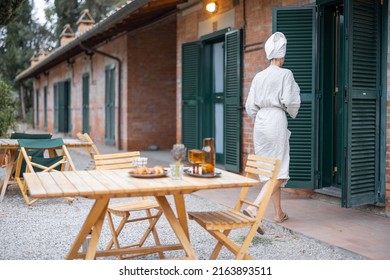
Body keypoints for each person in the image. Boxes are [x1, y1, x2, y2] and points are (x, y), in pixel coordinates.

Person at [244, 32, 301, 234]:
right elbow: (291, 101)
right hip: (276, 118)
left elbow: (250, 105)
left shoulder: (259, 76)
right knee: (278, 169)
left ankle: (278, 213)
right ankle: (253, 207)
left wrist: (260, 115)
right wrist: (287, 110)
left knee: (269, 169)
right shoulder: (285, 74)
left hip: (260, 121)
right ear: (282, 55)